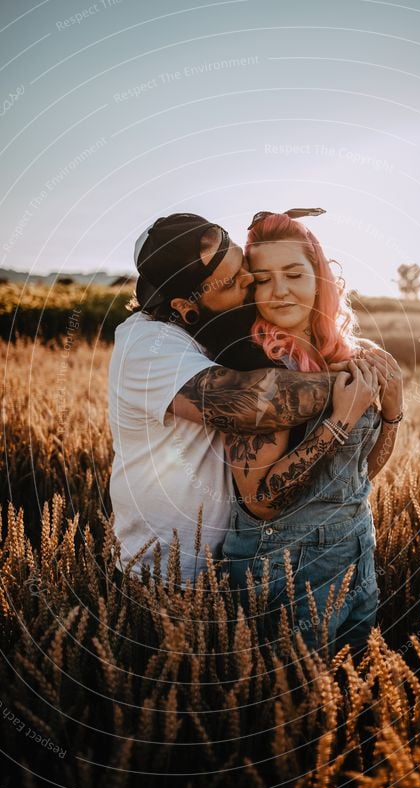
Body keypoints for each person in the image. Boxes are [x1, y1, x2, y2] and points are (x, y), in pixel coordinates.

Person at [107, 212, 385, 584]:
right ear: (185, 307)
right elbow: (252, 403)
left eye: (245, 265)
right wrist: (358, 383)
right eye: (234, 282)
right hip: (166, 573)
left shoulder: (222, 328)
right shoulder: (147, 345)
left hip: (232, 566)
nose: (251, 280)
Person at [219, 210, 403, 656]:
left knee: (348, 695)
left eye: (294, 273)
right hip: (283, 561)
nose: (279, 289)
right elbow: (261, 501)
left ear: (319, 278)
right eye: (262, 278)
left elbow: (359, 475)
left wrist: (393, 412)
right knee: (294, 711)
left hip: (357, 544)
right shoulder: (254, 367)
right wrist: (340, 419)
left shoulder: (350, 355)